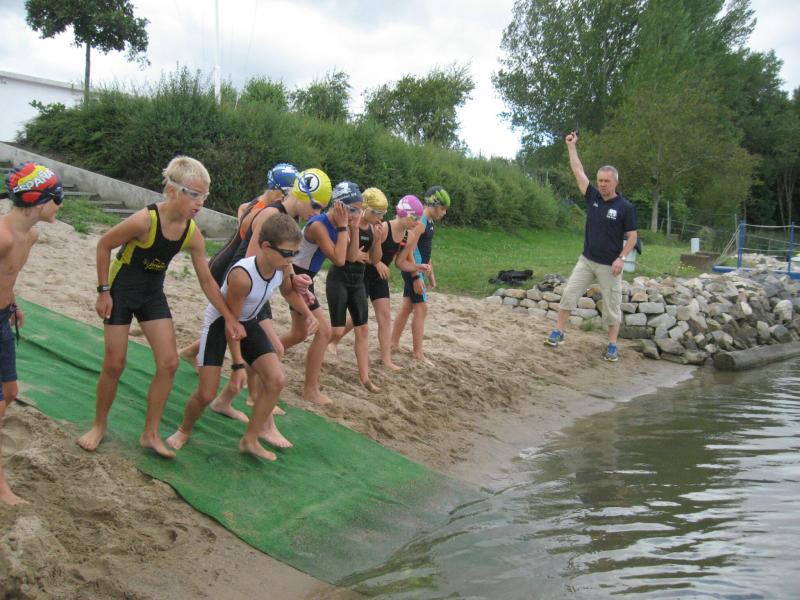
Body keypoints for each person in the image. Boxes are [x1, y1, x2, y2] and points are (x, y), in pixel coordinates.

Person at [77, 156, 245, 458]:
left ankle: (150, 434)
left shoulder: (191, 232)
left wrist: (230, 317)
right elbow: (104, 244)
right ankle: (99, 425)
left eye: (204, 196)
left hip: (152, 294)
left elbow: (207, 281)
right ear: (172, 191)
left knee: (169, 364)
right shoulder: (145, 220)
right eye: (194, 194)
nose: (200, 202)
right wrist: (103, 292)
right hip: (121, 291)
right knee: (114, 364)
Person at [167, 213, 313, 460]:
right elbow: (231, 324)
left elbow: (288, 292)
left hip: (248, 321)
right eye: (287, 253)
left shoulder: (282, 266)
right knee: (206, 393)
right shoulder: (242, 276)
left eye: (295, 253)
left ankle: (250, 439)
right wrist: (236, 366)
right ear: (266, 247)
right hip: (222, 324)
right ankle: (184, 430)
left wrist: (308, 314)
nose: (291, 259)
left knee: (276, 380)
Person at [0, 162, 64, 505]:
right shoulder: (3, 235)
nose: (61, 205)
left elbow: (6, 276)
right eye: (58, 198)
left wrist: (12, 304)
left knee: (10, 392)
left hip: (2, 319)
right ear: (39, 201)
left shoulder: (30, 236)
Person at [544, 131, 638, 362]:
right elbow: (578, 171)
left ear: (615, 182)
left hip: (610, 266)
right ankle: (559, 332)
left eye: (607, 181)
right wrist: (571, 146)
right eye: (600, 181)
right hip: (587, 260)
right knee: (569, 294)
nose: (602, 185)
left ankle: (612, 345)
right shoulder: (593, 197)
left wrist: (621, 258)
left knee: (612, 306)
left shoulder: (625, 207)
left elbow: (633, 238)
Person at [332, 193, 425, 371]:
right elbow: (365, 253)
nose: (417, 222)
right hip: (364, 274)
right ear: (403, 214)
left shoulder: (410, 236)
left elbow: (399, 263)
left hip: (379, 278)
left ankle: (386, 359)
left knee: (385, 317)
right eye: (414, 218)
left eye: (419, 218)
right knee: (358, 316)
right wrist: (378, 263)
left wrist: (416, 268)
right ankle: (333, 341)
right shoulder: (384, 228)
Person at [282, 180, 354, 406]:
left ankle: (258, 354)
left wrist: (349, 226)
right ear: (340, 207)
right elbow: (339, 260)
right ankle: (310, 390)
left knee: (298, 334)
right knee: (323, 331)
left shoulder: (338, 224)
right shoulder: (318, 225)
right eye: (354, 210)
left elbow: (350, 255)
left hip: (305, 278)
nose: (357, 214)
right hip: (296, 276)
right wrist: (344, 227)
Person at [326, 187, 383, 391]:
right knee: (337, 329)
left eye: (382, 214)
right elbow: (350, 257)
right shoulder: (349, 225)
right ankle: (323, 345)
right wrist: (356, 229)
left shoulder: (373, 229)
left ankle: (365, 378)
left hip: (358, 282)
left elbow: (374, 259)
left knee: (363, 328)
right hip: (339, 280)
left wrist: (377, 240)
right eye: (377, 213)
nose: (380, 218)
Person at [390, 186, 450, 366]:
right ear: (433, 204)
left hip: (417, 268)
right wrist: (416, 276)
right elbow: (410, 248)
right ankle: (418, 353)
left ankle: (393, 343)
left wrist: (431, 273)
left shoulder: (428, 221)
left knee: (407, 306)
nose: (444, 213)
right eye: (442, 208)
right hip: (412, 269)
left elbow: (425, 250)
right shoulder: (421, 221)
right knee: (421, 309)